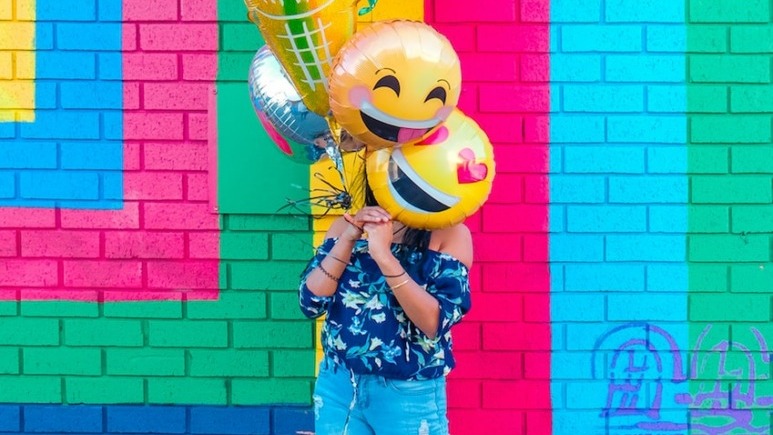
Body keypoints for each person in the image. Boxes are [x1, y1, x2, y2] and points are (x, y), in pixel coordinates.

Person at [298, 180, 473, 435]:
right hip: (339, 385)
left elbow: (434, 323)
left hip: (409, 391)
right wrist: (348, 238)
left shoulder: (449, 233)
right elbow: (311, 304)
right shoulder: (346, 228)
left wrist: (383, 255)